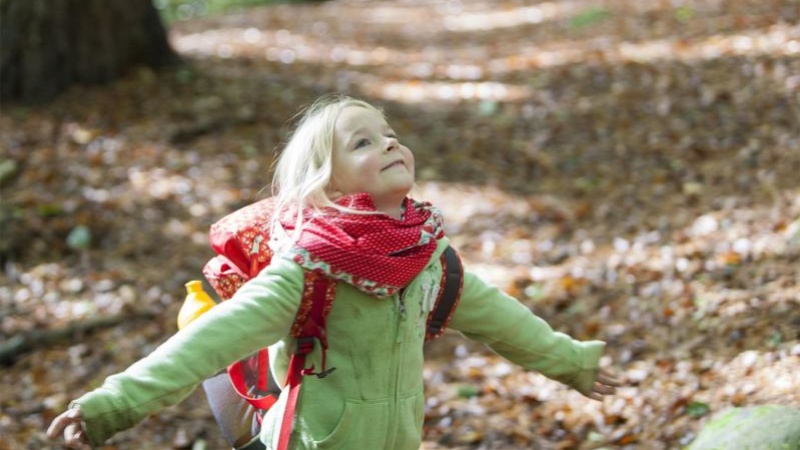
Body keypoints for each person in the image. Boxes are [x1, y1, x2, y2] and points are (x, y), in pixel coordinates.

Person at [47, 94, 622, 450]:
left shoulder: (427, 257)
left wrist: (570, 361)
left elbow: (501, 321)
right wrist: (110, 406)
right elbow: (206, 343)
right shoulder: (307, 269)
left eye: (390, 134)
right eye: (363, 141)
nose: (390, 143)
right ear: (327, 182)